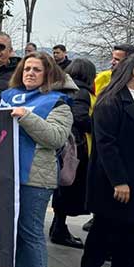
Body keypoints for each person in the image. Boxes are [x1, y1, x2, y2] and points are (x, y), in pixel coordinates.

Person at [0, 52, 75, 267]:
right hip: (6, 174)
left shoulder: (58, 103)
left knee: (30, 233)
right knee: (13, 231)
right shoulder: (8, 97)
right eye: (26, 69)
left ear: (48, 74)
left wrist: (26, 116)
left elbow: (55, 138)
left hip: (34, 178)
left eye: (36, 69)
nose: (30, 73)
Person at [80, 52, 134, 267]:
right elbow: (106, 144)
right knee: (104, 230)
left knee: (129, 231)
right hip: (113, 181)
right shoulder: (109, 101)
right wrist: (119, 181)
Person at [49, 59, 96, 249]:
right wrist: (99, 125)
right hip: (78, 147)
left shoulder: (63, 88)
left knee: (62, 189)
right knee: (69, 188)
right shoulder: (82, 92)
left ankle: (58, 227)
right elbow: (80, 117)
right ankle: (59, 229)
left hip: (67, 146)